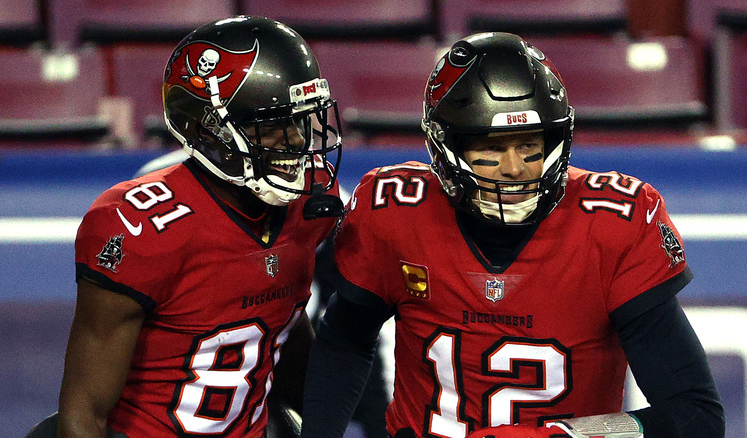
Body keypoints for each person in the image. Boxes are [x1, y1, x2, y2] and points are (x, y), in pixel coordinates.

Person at [301, 32, 725, 438]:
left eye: (529, 145)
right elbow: (344, 342)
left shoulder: (613, 225)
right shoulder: (395, 210)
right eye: (490, 147)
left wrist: (560, 435)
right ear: (445, 148)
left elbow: (695, 413)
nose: (514, 168)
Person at [56, 16, 343, 438]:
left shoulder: (307, 203)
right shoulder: (140, 225)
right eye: (271, 124)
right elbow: (84, 415)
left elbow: (278, 315)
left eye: (300, 120)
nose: (297, 141)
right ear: (206, 128)